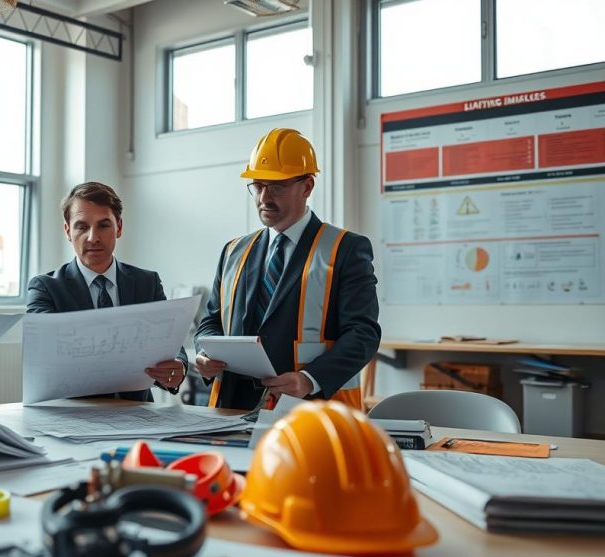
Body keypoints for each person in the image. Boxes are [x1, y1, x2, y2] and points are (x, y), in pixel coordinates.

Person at [194, 128, 380, 410]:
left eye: (277, 186)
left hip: (312, 407)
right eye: (258, 185)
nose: (264, 198)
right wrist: (203, 353)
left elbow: (363, 333)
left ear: (307, 186)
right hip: (232, 406)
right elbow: (211, 321)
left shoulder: (346, 249)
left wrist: (310, 379)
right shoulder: (233, 251)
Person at [27, 181, 189, 401]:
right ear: (68, 230)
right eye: (82, 227)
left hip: (137, 414)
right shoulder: (45, 288)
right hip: (71, 416)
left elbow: (169, 342)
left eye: (103, 225)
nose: (93, 237)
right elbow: (44, 354)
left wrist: (178, 366)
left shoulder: (147, 282)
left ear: (119, 227)